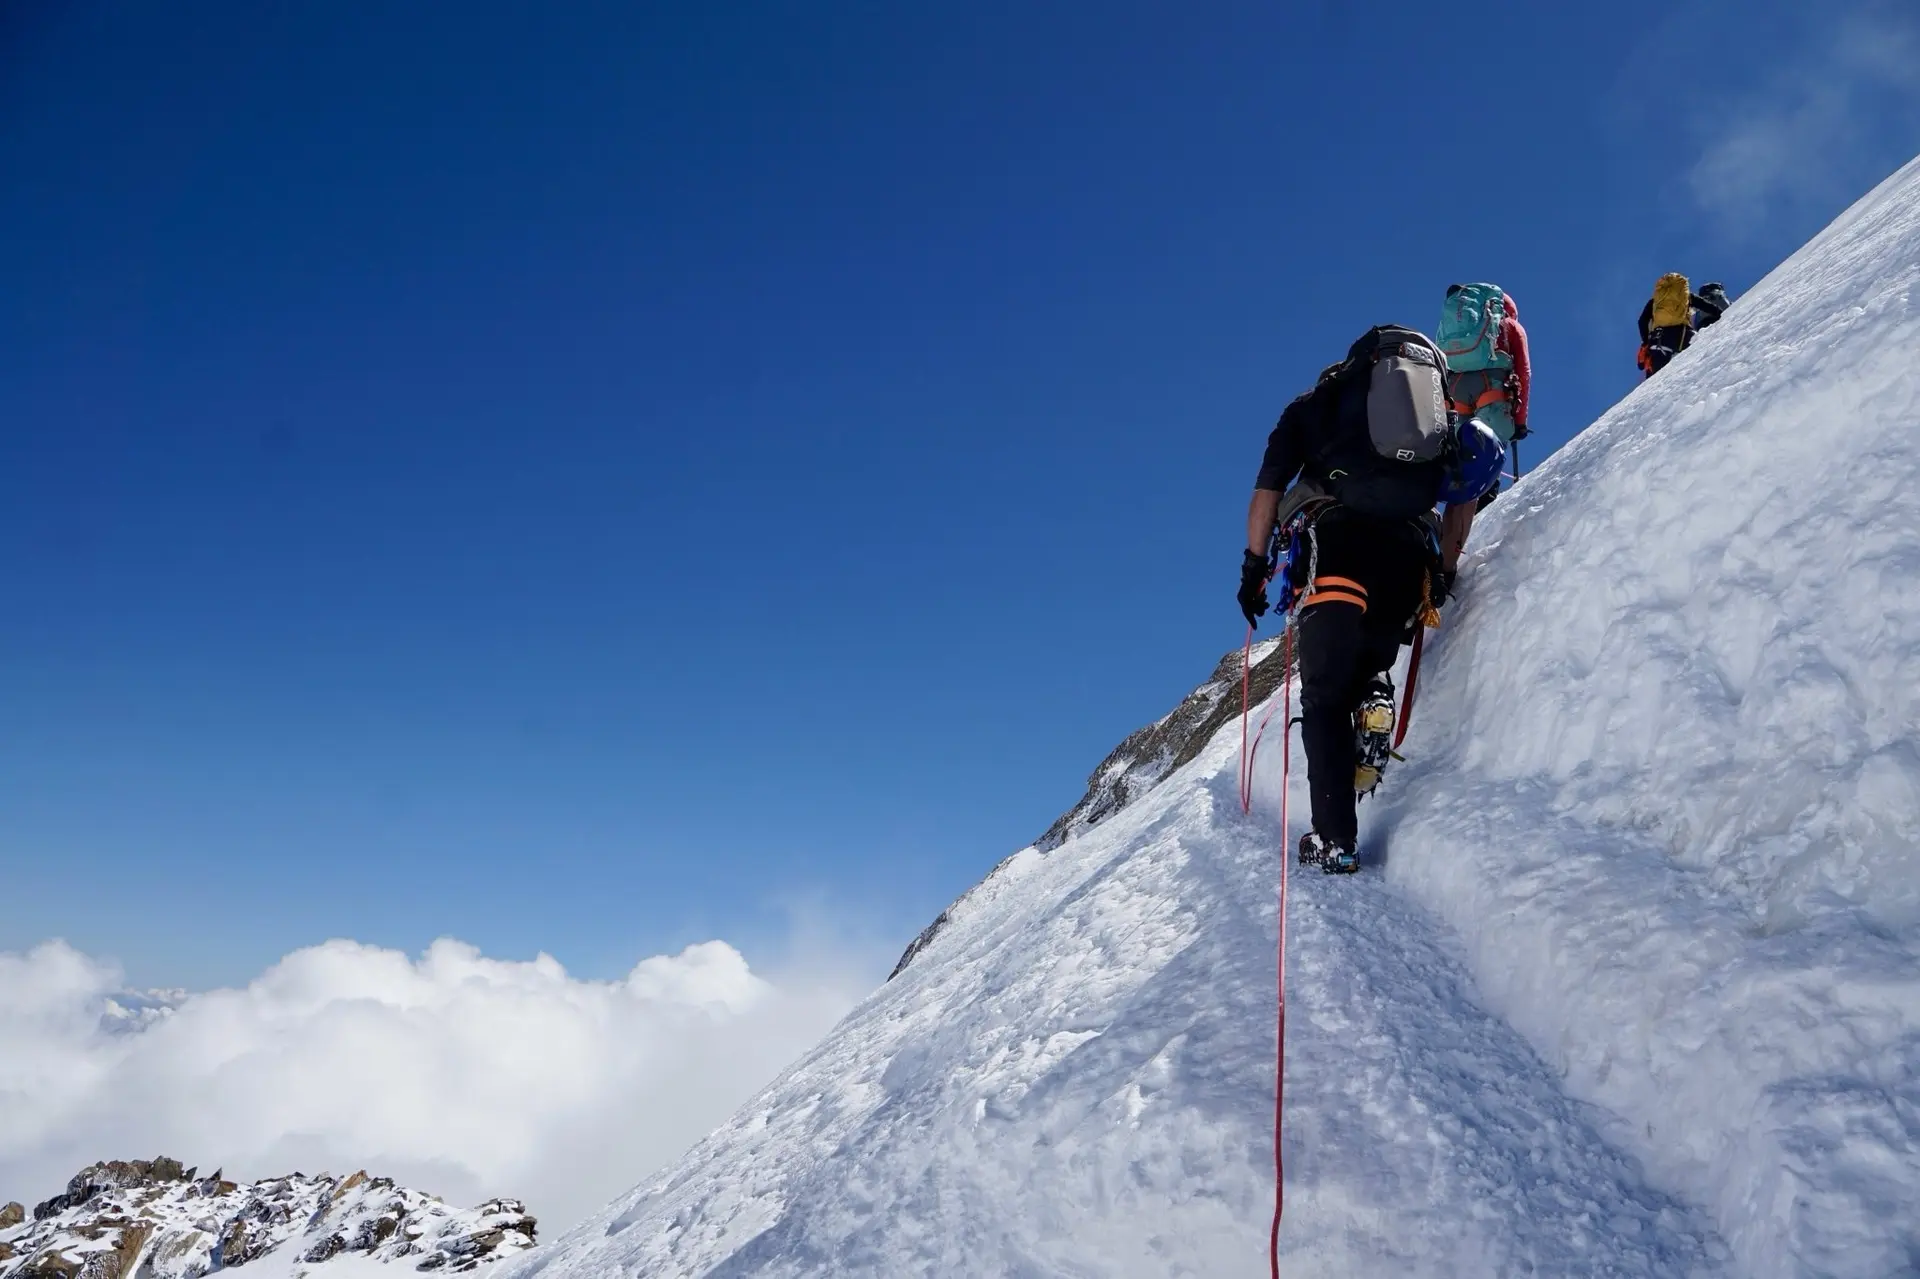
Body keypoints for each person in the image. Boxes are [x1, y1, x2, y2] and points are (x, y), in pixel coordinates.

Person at [1236, 326, 1504, 874]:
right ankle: (1376, 700)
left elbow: (1267, 492)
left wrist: (1254, 567)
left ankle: (1334, 840)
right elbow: (1463, 499)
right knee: (1367, 664)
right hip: (1405, 562)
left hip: (1332, 552)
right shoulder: (1439, 421)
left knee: (1325, 699)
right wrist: (1446, 569)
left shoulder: (1313, 408)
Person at [1637, 275, 1729, 378]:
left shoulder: (1655, 301)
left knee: (1655, 379)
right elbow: (1706, 306)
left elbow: (1642, 321)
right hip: (1684, 336)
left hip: (1660, 339)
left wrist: (1646, 341)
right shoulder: (1686, 296)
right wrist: (1722, 313)